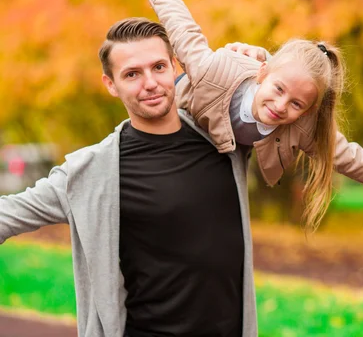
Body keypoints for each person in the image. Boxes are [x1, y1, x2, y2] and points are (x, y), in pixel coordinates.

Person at [0, 18, 258, 337]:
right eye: (132, 74)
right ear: (111, 84)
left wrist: (257, 63)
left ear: (175, 67)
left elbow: (294, 96)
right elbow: (7, 215)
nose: (149, 83)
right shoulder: (91, 172)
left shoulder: (223, 137)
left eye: (158, 67)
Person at [132, 0, 363, 231]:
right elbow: (184, 32)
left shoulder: (303, 127)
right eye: (279, 90)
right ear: (263, 73)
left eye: (297, 104)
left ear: (308, 110)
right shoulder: (212, 70)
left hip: (224, 145)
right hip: (188, 107)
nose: (282, 106)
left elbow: (347, 156)